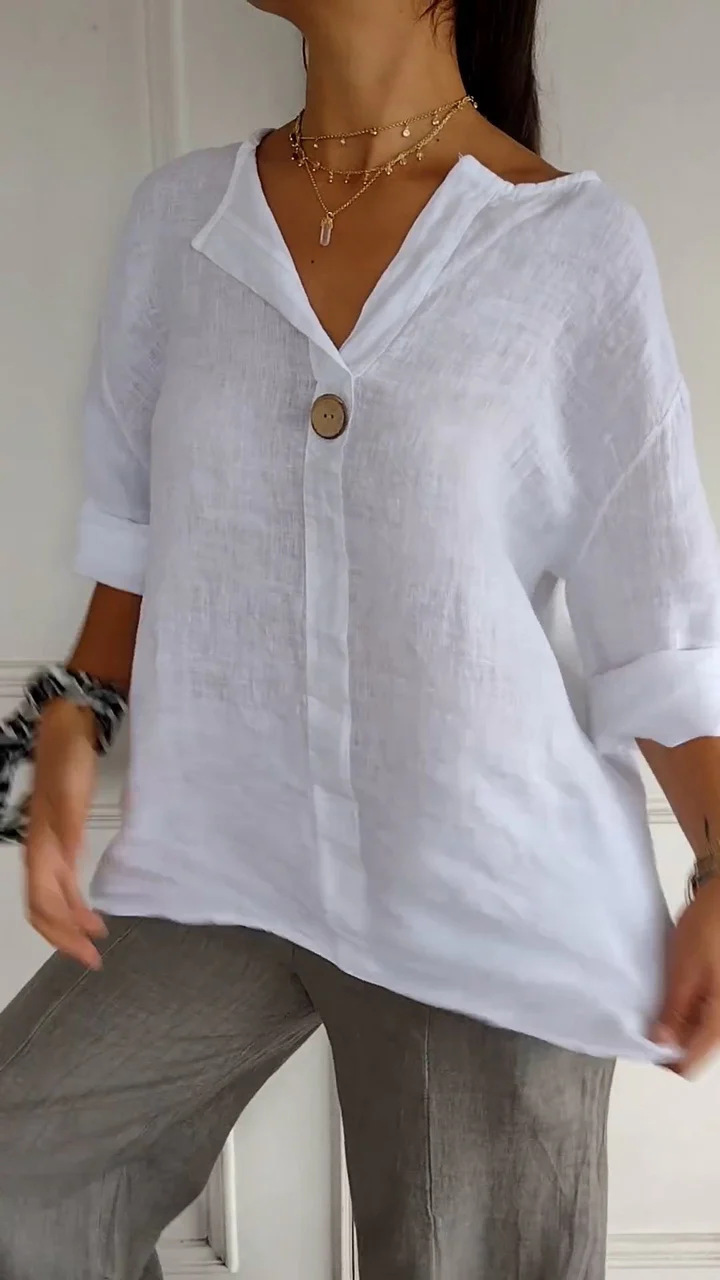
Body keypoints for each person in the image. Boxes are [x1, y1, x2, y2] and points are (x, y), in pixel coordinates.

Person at [2, 0, 720, 1276]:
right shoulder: (183, 221)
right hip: (227, 856)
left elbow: (656, 623)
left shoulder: (569, 245)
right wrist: (68, 722)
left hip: (487, 889)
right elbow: (136, 534)